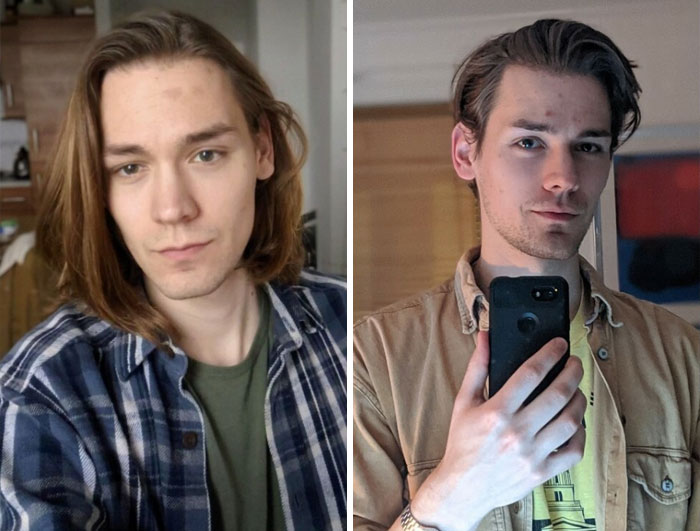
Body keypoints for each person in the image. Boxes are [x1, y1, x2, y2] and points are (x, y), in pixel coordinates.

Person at [0, 10, 346, 531]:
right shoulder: (42, 393)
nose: (173, 208)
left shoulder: (350, 328)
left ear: (263, 150)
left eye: (205, 154)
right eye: (130, 168)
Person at [353, 19, 700, 531]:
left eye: (588, 146)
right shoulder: (374, 360)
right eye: (530, 142)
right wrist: (452, 496)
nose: (563, 177)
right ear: (465, 153)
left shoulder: (682, 356)